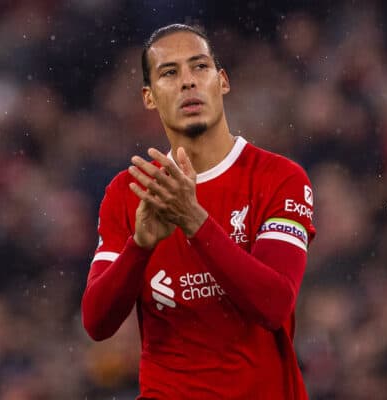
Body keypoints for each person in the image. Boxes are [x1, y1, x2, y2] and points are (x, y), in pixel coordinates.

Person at [81, 23, 316, 399]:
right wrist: (139, 247)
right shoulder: (129, 192)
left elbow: (274, 304)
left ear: (222, 81)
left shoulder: (279, 178)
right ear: (149, 97)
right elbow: (97, 322)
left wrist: (195, 222)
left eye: (199, 67)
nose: (188, 82)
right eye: (169, 73)